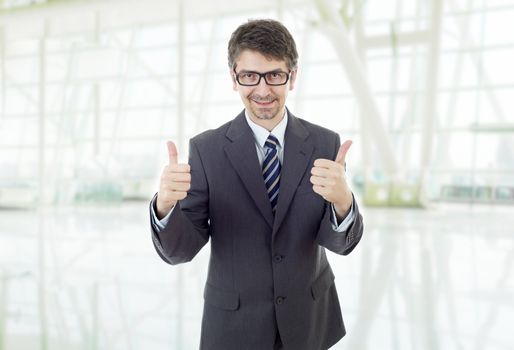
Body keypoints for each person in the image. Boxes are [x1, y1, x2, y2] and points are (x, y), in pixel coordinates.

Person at [149, 19, 363, 350]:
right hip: (235, 326)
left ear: (292, 76)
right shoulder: (207, 150)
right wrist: (165, 207)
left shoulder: (325, 143)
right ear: (234, 78)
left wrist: (343, 203)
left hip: (309, 321)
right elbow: (181, 250)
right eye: (249, 76)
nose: (262, 90)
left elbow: (340, 244)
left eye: (274, 75)